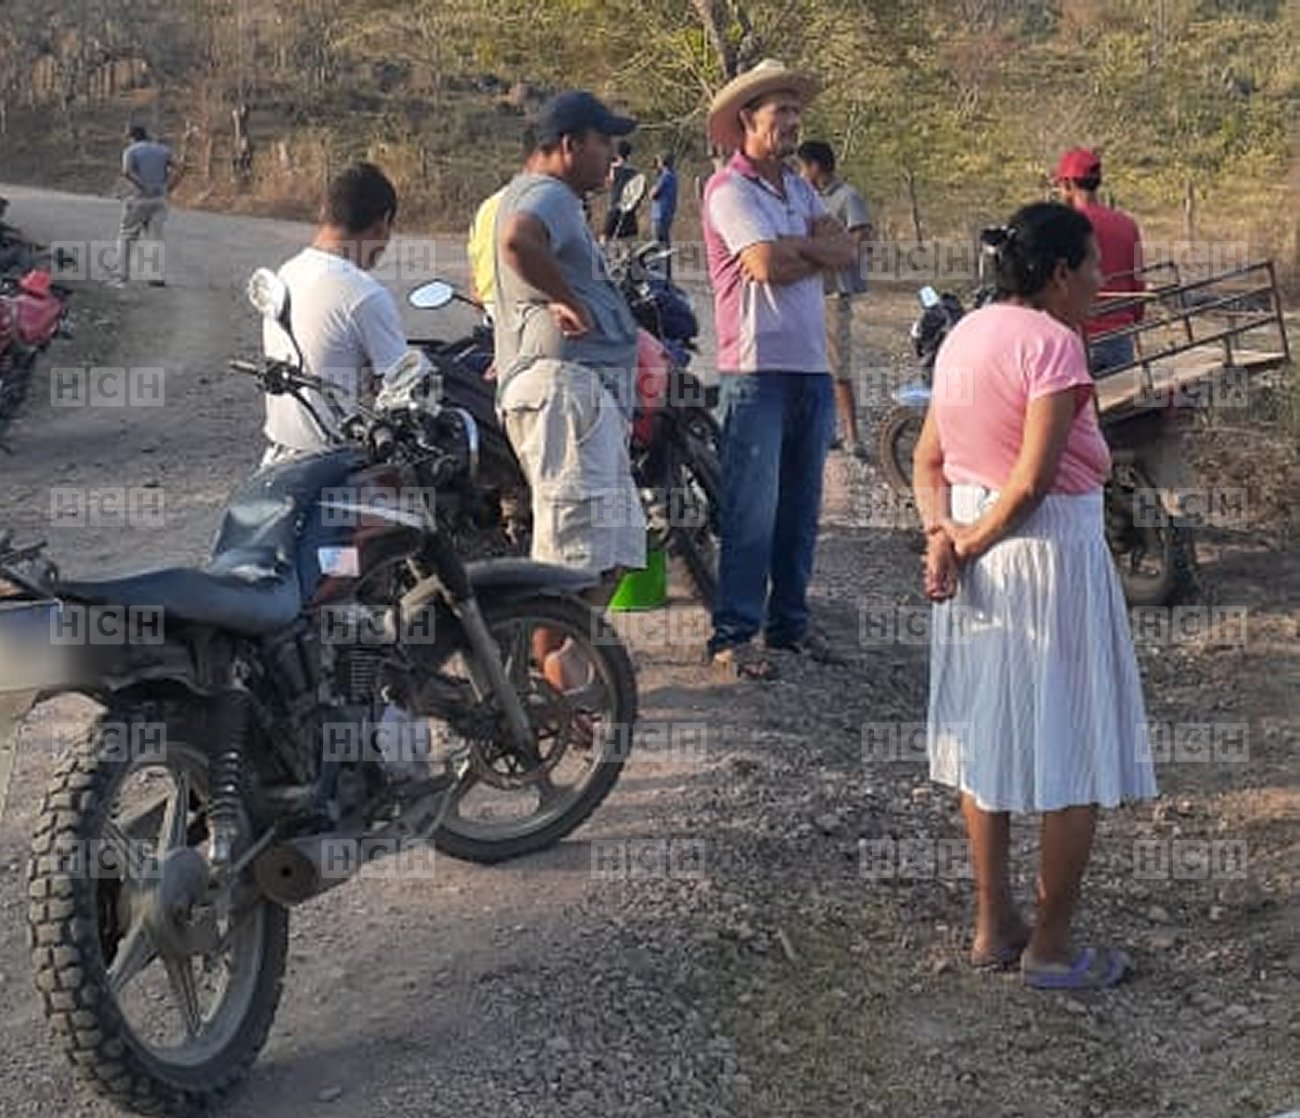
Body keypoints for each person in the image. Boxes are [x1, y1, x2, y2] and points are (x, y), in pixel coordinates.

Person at [913, 201, 1157, 989]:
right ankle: (1051, 949)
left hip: (978, 554)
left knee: (987, 736)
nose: (1100, 280)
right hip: (1049, 557)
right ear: (1058, 274)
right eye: (1092, 266)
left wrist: (944, 536)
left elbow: (928, 461)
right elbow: (1032, 482)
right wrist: (967, 542)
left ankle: (994, 925)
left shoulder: (964, 335)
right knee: (1073, 750)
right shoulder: (1054, 346)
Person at [701, 60, 856, 681]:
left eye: (796, 111)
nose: (792, 123)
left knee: (800, 506)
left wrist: (799, 250)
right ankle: (734, 636)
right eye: (780, 112)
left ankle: (790, 624)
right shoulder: (729, 190)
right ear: (747, 119)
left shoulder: (799, 189)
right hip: (756, 369)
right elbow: (764, 265)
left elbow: (846, 250)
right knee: (752, 509)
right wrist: (808, 251)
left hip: (810, 368)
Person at [493, 90, 646, 686]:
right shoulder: (549, 195)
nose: (613, 157)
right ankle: (543, 688)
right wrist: (567, 298)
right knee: (571, 557)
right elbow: (517, 242)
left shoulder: (540, 196)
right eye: (604, 142)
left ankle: (560, 673)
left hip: (575, 395)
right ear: (568, 145)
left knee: (604, 553)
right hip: (564, 393)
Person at [261, 161, 412, 462]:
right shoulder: (365, 294)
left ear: (324, 213)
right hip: (336, 465)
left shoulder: (287, 273)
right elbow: (404, 392)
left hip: (278, 458)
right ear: (382, 223)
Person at [796, 140, 872, 459]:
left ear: (815, 166)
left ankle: (853, 436)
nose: (800, 173)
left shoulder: (848, 197)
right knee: (812, 365)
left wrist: (821, 252)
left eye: (803, 167)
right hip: (809, 290)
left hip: (835, 292)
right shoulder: (807, 198)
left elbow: (857, 243)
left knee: (839, 366)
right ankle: (826, 431)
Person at [1052, 148, 1145, 373]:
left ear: (1068, 184)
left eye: (1060, 185)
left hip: (1076, 337)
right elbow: (1138, 283)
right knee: (1122, 395)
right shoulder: (1127, 224)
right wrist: (1130, 320)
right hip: (1119, 338)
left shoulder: (1062, 227)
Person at [467, 126, 541, 320]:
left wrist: (478, 290)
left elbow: (474, 258)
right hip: (524, 306)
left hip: (491, 302)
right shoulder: (542, 202)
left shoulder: (488, 205)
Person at [113, 124, 180, 288]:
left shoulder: (131, 151)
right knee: (155, 237)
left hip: (137, 199)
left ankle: (121, 274)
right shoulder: (163, 150)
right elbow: (179, 167)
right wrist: (169, 187)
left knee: (127, 236)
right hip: (159, 199)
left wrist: (143, 186)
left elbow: (127, 171)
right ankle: (156, 276)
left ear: (132, 137)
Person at [601, 139, 641, 244]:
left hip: (615, 206)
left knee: (604, 237)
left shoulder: (613, 169)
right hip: (628, 208)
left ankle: (601, 254)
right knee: (629, 239)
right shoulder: (634, 171)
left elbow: (607, 184)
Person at [648, 153, 678, 276]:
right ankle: (666, 274)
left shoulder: (665, 177)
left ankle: (659, 274)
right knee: (664, 245)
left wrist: (654, 183)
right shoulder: (673, 176)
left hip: (659, 214)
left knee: (657, 245)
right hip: (667, 214)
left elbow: (652, 194)